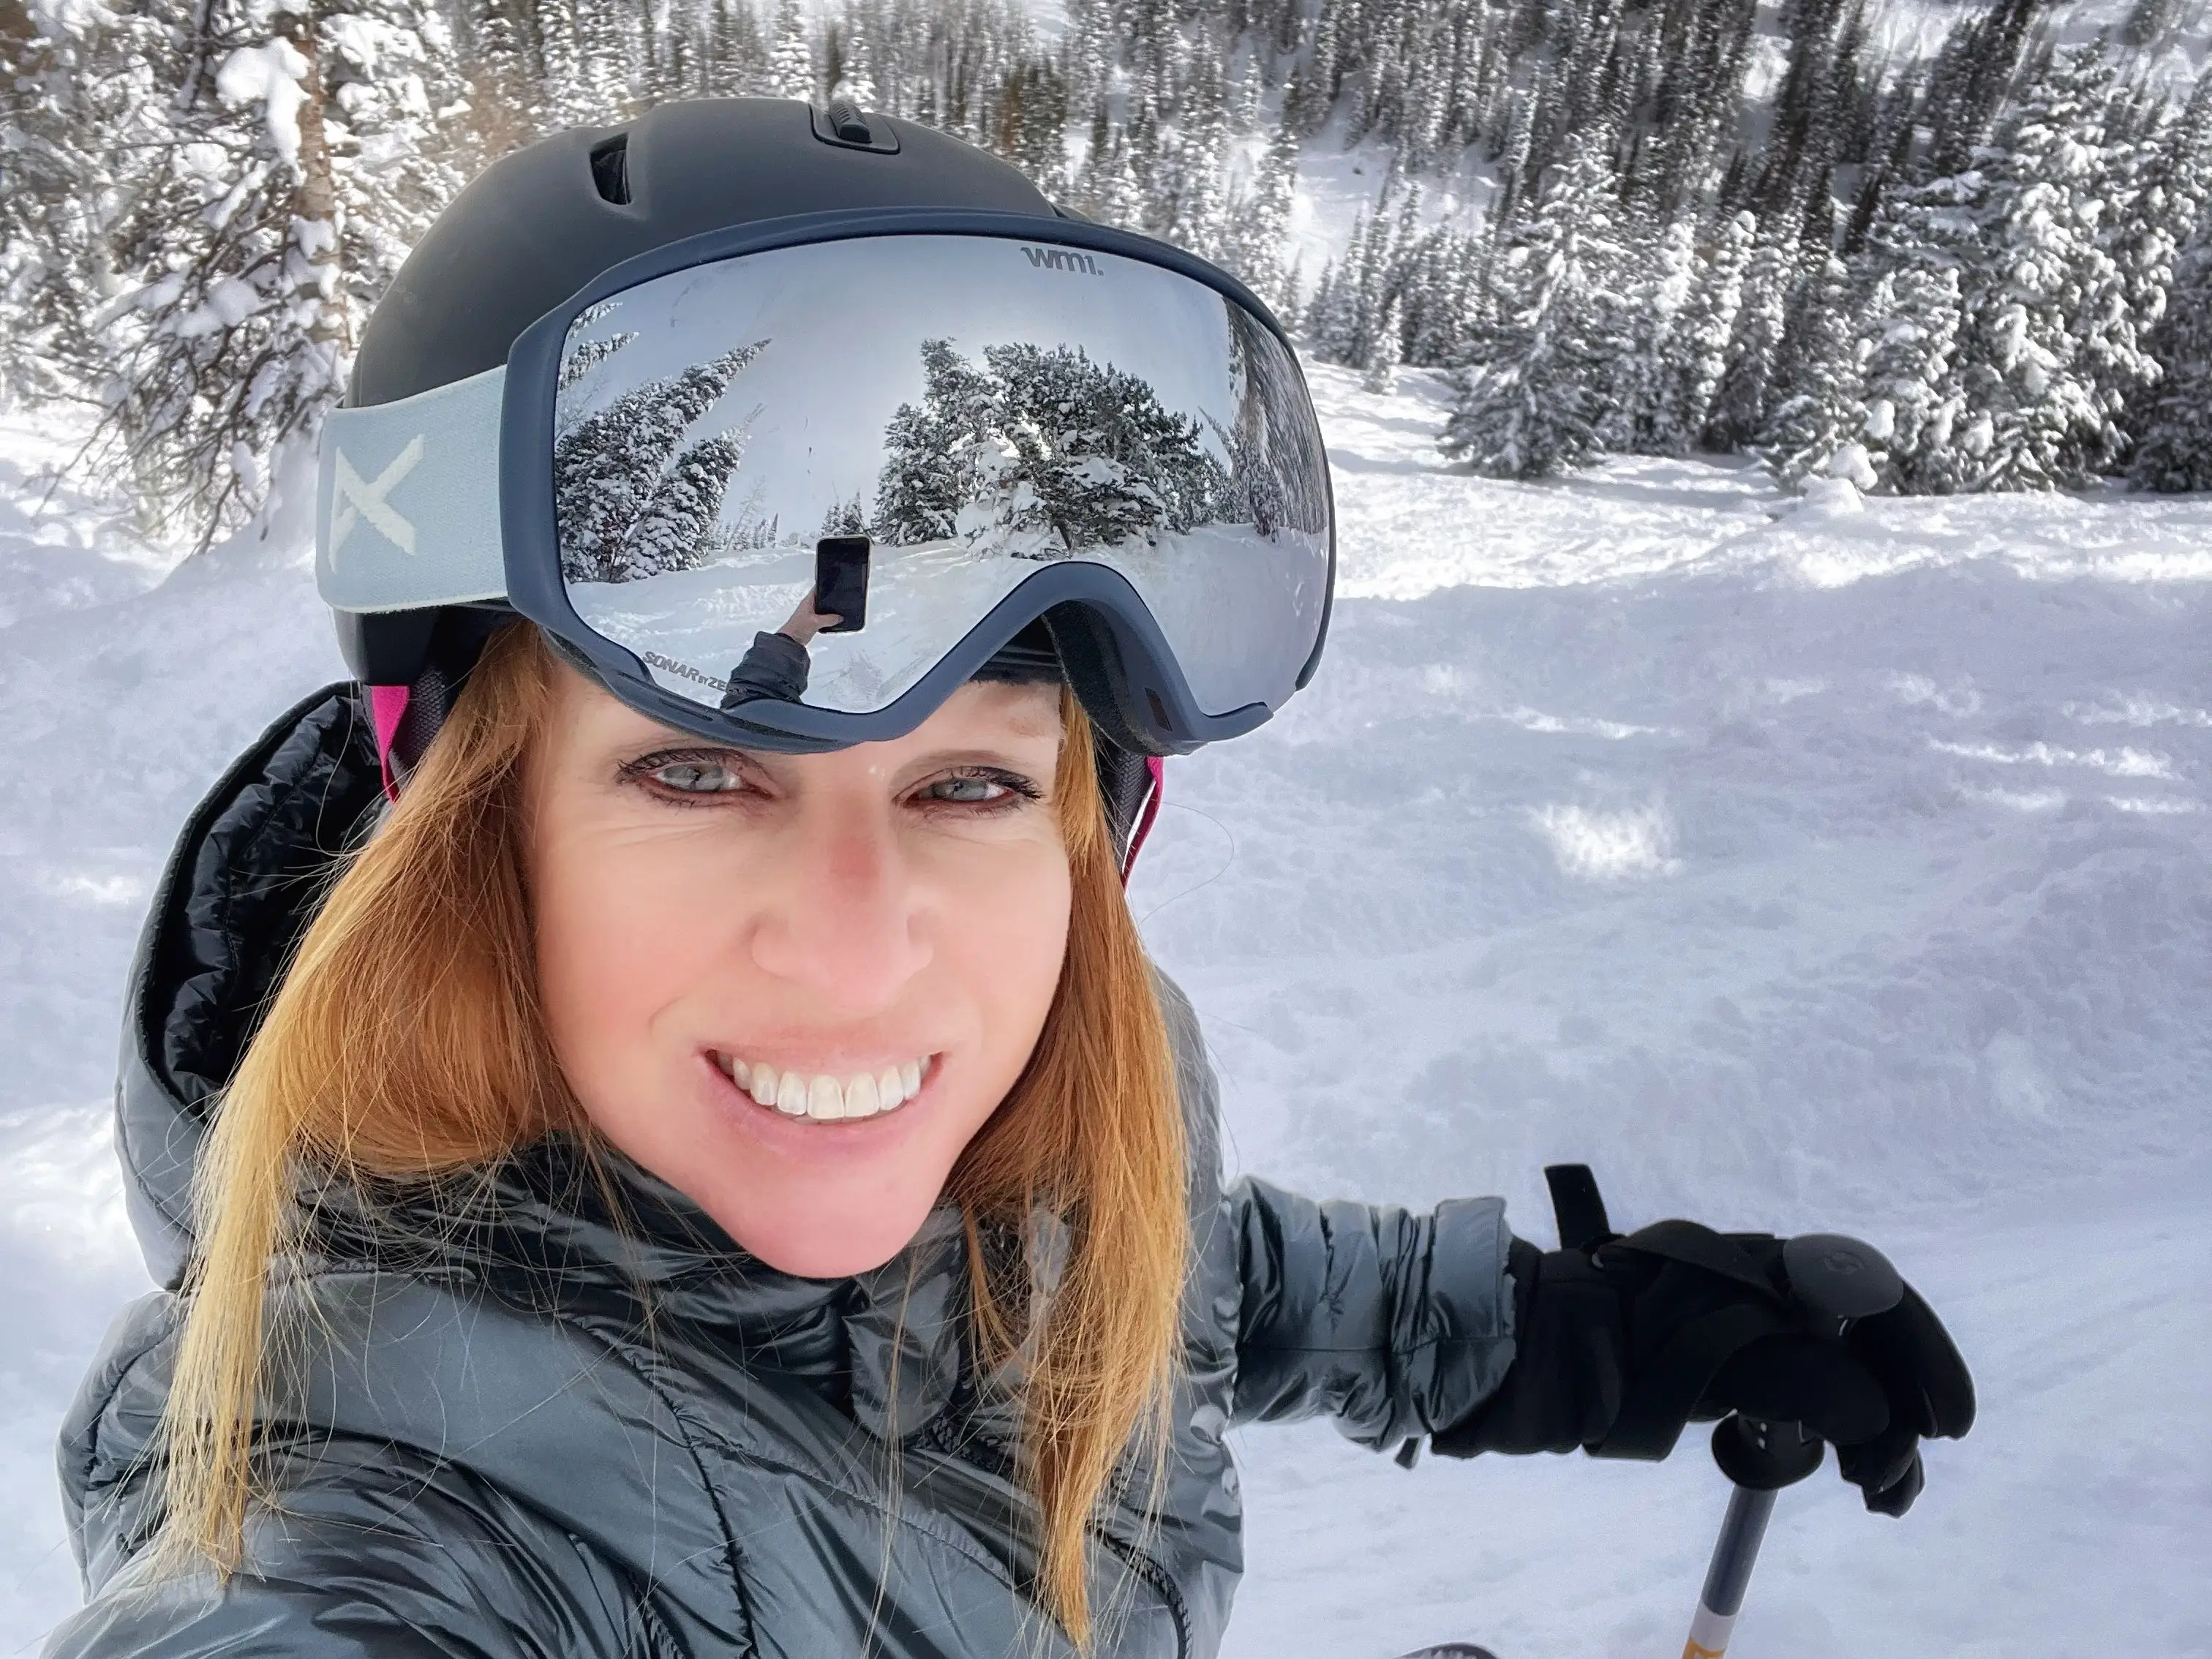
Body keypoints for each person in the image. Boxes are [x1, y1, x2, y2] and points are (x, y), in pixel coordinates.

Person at [45, 99, 1973, 1659]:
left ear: (1091, 829)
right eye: (701, 768)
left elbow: (1140, 1278)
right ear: (467, 834)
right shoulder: (348, 1531)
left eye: (968, 778)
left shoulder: (1023, 1166)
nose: (864, 945)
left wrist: (1584, 1327)